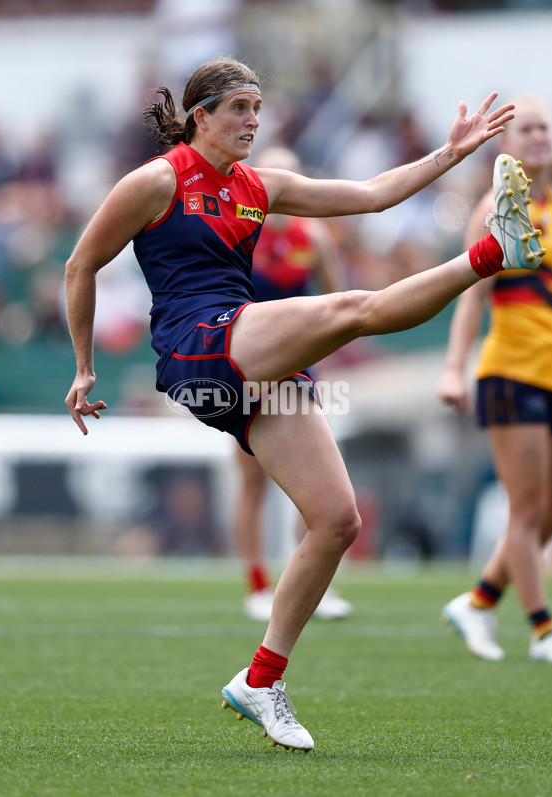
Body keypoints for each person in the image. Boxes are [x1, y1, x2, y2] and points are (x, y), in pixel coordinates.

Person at [64, 57, 542, 751]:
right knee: (352, 309)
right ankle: (495, 250)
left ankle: (261, 679)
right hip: (197, 344)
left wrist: (451, 153)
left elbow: (373, 195)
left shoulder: (261, 185)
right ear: (200, 116)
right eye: (239, 108)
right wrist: (84, 367)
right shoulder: (157, 180)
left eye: (258, 108)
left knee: (337, 521)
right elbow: (80, 264)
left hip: (246, 354)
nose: (253, 121)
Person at [439, 97, 552, 664]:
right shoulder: (499, 204)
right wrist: (453, 368)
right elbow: (471, 293)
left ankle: (481, 601)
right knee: (527, 509)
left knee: (550, 510)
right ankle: (543, 630)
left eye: (544, 128)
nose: (539, 137)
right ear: (505, 146)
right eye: (526, 130)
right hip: (513, 371)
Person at [234, 145, 352, 622]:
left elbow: (338, 298)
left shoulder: (314, 236)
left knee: (314, 485)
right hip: (247, 365)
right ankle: (256, 586)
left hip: (298, 367)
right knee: (252, 481)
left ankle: (309, 586)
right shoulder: (240, 231)